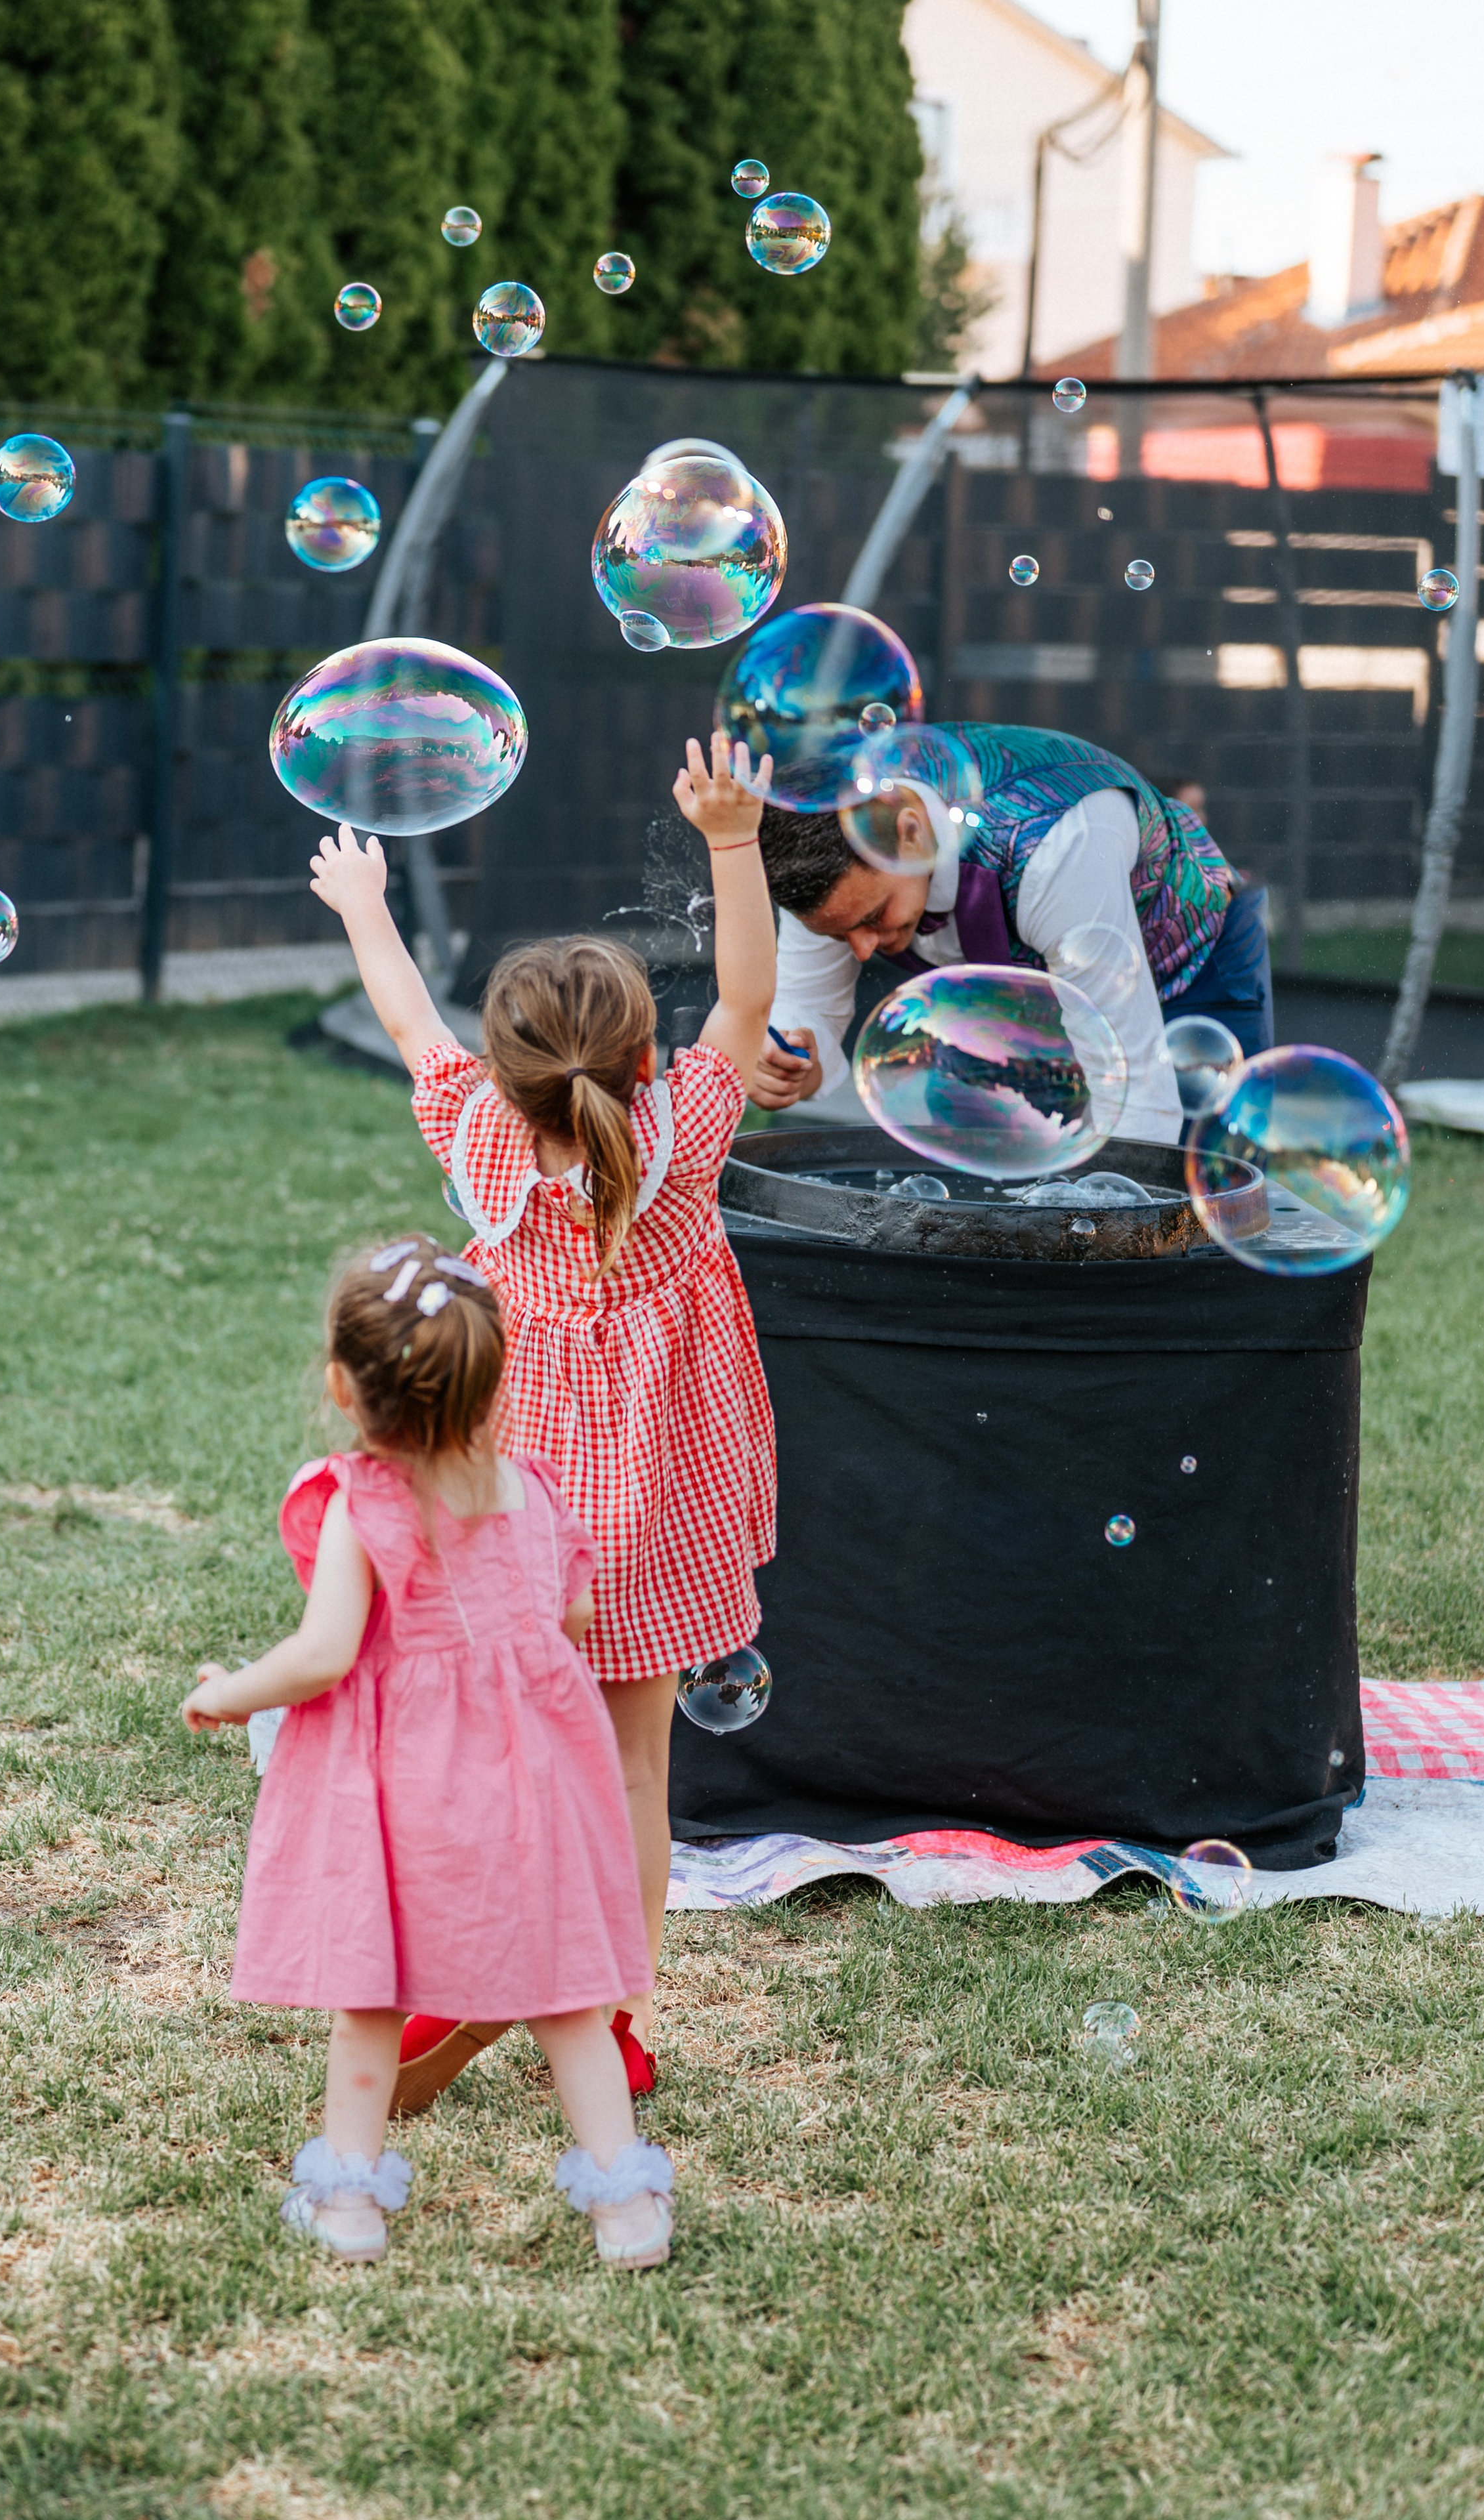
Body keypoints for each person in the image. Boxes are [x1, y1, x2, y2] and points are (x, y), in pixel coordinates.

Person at [308, 731, 778, 2114]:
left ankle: (470, 1963)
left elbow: (410, 1025)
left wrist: (364, 909)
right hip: (663, 1506)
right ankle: (610, 2010)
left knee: (497, 1742)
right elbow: (745, 1001)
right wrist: (734, 841)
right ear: (645, 1056)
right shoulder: (684, 1139)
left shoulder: (479, 1150)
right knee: (637, 1766)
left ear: (508, 1076)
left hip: (514, 1515)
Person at [181, 1238, 674, 2270]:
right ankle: (627, 2208)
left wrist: (228, 1695)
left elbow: (322, 1655)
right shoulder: (531, 1491)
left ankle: (351, 2204)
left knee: (373, 1996)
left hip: (407, 1791)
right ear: (489, 1383)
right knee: (564, 1994)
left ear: (343, 1388)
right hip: (532, 1784)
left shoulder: (362, 1505)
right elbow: (575, 1612)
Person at [749, 724, 1272, 1134]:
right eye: (840, 934)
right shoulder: (828, 863)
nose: (863, 952)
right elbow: (808, 1007)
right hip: (1026, 995)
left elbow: (1136, 1085)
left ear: (910, 835)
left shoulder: (1060, 847)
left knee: (1204, 1193)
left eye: (872, 919)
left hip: (1192, 965)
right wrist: (795, 1059)